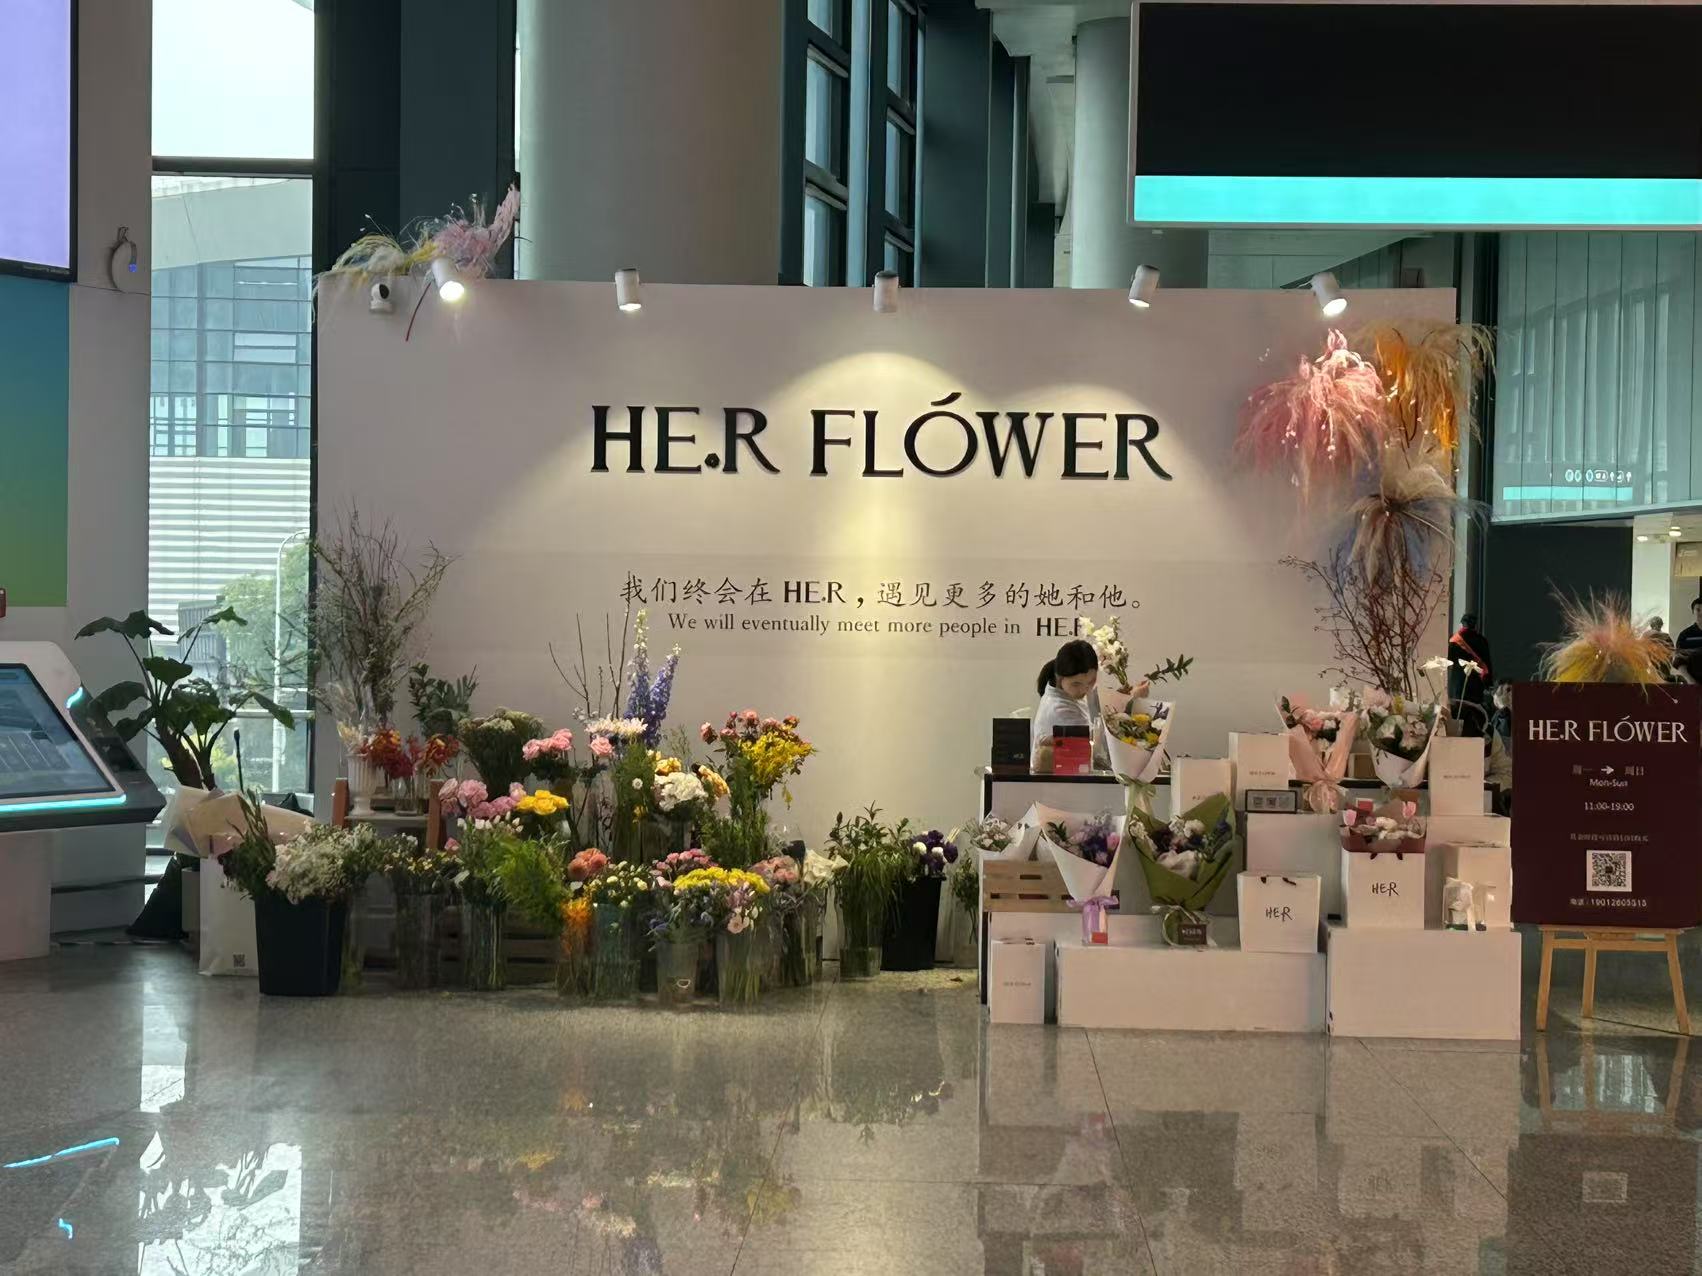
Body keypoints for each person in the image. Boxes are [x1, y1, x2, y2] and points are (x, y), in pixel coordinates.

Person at [1028, 639, 1148, 771]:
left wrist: (1124, 696)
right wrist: (1130, 701)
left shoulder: (1068, 693)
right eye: (1076, 684)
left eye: (1091, 681)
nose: (1085, 689)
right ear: (1059, 677)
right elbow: (1097, 747)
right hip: (1064, 778)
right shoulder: (1059, 709)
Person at [1447, 613, 1493, 738]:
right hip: (1476, 685)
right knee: (1474, 714)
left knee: (1458, 713)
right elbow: (1487, 664)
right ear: (1475, 625)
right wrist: (1488, 683)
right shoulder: (1482, 641)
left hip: (1457, 685)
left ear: (1461, 624)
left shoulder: (1454, 640)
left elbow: (1449, 660)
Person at [1676, 598, 1702, 664]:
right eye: (1698, 610)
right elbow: (1679, 657)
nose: (1701, 613)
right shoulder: (1684, 635)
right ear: (1693, 611)